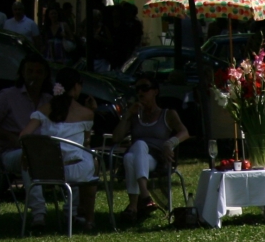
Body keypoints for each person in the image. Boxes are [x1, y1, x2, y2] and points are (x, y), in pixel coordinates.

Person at [20, 67, 98, 231]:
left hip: (46, 171)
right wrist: (92, 110)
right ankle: (80, 216)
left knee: (28, 165)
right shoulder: (86, 114)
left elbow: (24, 135)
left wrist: (28, 155)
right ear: (76, 86)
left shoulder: (43, 110)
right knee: (88, 160)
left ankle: (40, 214)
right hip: (76, 171)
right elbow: (86, 142)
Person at [0, 55, 53, 220]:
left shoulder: (49, 100)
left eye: (39, 72)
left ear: (45, 76)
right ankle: (39, 213)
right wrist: (12, 137)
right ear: (22, 73)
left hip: (44, 151)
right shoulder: (8, 96)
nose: (34, 76)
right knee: (28, 157)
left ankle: (75, 213)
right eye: (29, 71)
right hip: (13, 152)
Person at [115, 74, 188, 223]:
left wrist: (169, 143)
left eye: (145, 88)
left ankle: (137, 203)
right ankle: (141, 201)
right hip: (140, 159)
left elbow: (184, 132)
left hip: (157, 158)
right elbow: (116, 138)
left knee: (138, 146)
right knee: (131, 155)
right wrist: (128, 114)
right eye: (138, 89)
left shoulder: (167, 114)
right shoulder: (135, 115)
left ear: (155, 91)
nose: (141, 92)